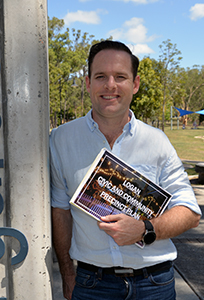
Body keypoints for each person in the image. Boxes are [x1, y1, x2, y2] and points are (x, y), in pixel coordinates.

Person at [50, 40, 202, 300]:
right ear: (87, 83)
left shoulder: (157, 141)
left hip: (155, 283)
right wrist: (67, 272)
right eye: (101, 76)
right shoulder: (61, 139)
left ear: (135, 84)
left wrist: (145, 229)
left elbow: (189, 212)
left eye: (120, 77)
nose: (110, 85)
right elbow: (60, 210)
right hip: (91, 285)